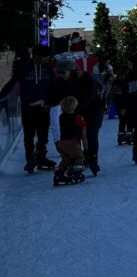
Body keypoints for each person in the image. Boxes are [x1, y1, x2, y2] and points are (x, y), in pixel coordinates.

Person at [0, 45, 58, 173]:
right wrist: (1, 95)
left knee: (43, 135)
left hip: (43, 108)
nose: (47, 59)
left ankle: (41, 156)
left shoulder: (48, 68)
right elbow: (12, 83)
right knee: (29, 134)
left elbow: (54, 87)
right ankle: (30, 159)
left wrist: (49, 102)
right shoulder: (24, 68)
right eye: (45, 57)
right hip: (28, 107)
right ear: (37, 56)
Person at [49, 55, 105, 175]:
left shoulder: (87, 79)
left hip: (92, 111)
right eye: (59, 73)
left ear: (71, 70)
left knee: (91, 135)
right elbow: (56, 96)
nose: (61, 75)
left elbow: (89, 98)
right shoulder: (61, 82)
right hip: (75, 112)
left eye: (63, 73)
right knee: (75, 137)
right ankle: (78, 160)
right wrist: (46, 103)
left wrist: (74, 108)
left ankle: (92, 160)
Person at [53, 96, 87, 186]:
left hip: (62, 143)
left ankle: (59, 174)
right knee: (79, 157)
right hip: (72, 143)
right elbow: (84, 133)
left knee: (66, 160)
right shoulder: (78, 117)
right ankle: (76, 174)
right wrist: (86, 148)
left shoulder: (61, 117)